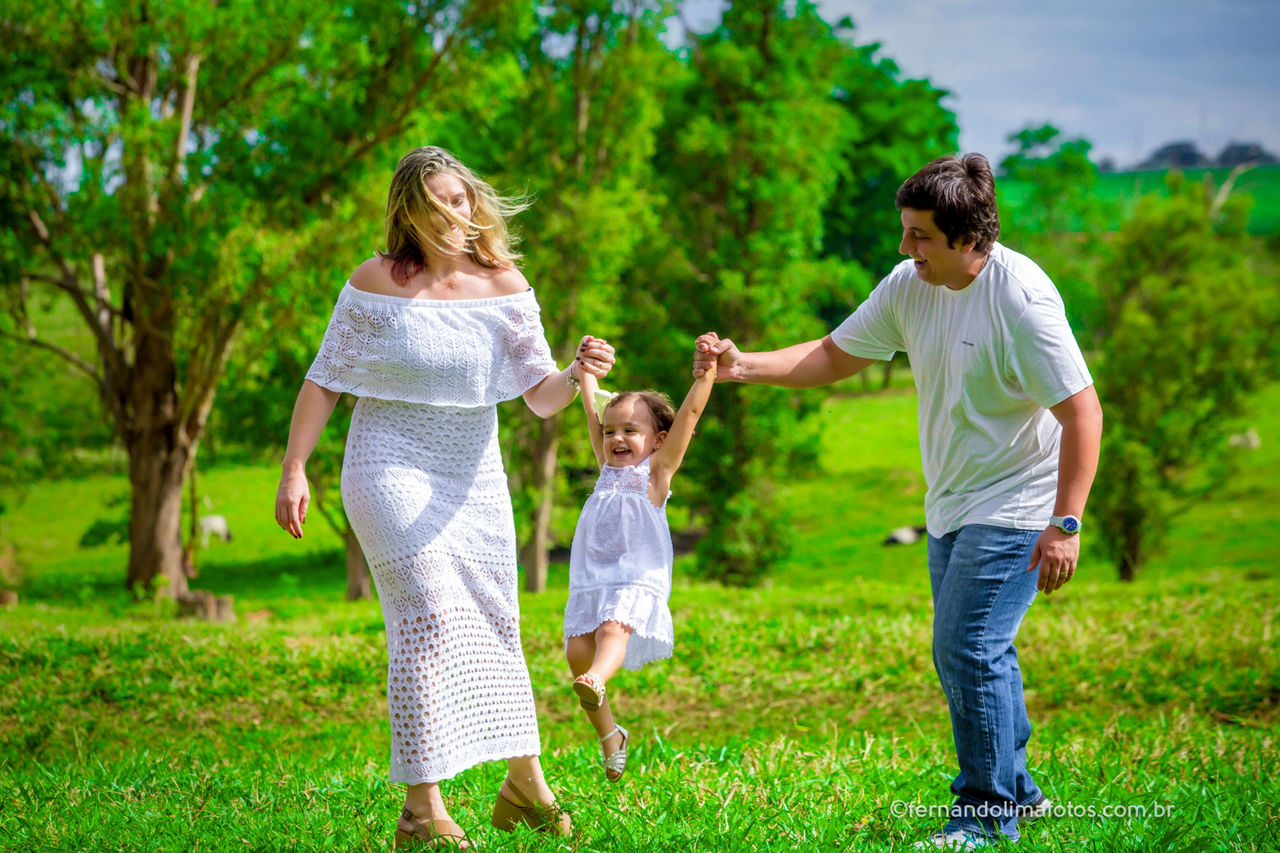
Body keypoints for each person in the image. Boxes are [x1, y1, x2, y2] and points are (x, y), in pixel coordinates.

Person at [693, 154, 1103, 850]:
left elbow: (1083, 411)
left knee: (969, 646)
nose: (905, 247)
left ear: (969, 239)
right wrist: (744, 366)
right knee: (970, 653)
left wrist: (1065, 522)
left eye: (920, 236)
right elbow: (836, 353)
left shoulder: (1022, 301)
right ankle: (1020, 794)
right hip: (950, 498)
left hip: (1017, 499)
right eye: (905, 231)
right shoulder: (911, 284)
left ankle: (985, 812)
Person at [274, 146, 616, 849]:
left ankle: (525, 783)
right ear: (409, 213)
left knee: (495, 621)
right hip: (387, 463)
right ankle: (422, 811)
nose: (453, 214)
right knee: (429, 613)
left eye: (460, 200)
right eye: (435, 204)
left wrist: (575, 369)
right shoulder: (376, 280)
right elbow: (326, 377)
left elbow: (540, 397)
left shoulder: (504, 283)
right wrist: (294, 466)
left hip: (475, 473)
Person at [562, 353, 717, 782]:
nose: (615, 438)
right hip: (592, 578)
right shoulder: (606, 470)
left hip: (636, 576)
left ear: (657, 439)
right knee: (576, 650)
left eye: (631, 430)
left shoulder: (655, 473)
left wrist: (705, 376)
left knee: (613, 630)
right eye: (611, 431)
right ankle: (610, 734)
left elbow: (690, 415)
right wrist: (586, 374)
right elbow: (591, 414)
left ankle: (596, 678)